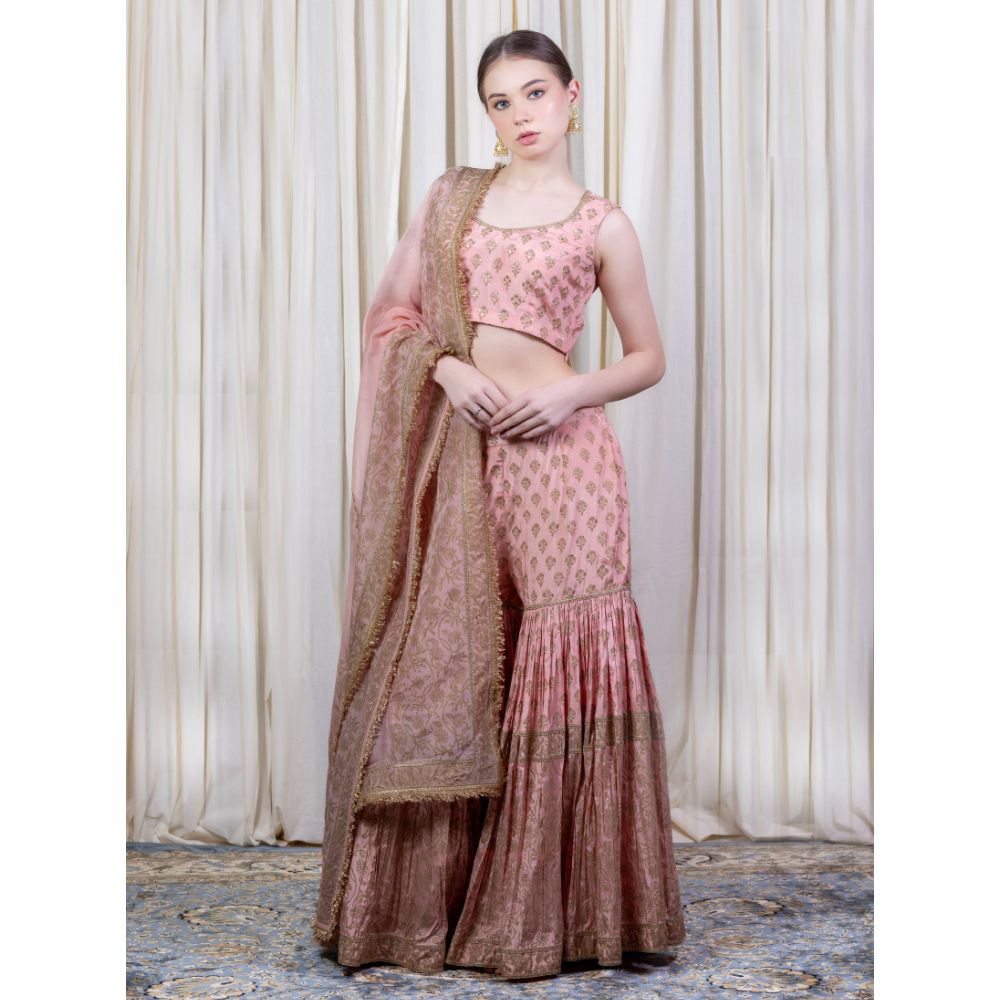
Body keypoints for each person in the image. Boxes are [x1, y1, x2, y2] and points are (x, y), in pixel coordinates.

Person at [312, 29, 686, 981]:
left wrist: (568, 394)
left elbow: (648, 357)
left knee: (557, 658)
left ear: (573, 96)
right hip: (464, 451)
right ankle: (435, 906)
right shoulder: (454, 200)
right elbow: (395, 317)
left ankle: (558, 913)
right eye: (500, 101)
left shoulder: (603, 224)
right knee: (457, 656)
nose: (520, 114)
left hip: (566, 466)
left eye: (535, 93)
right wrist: (445, 368)